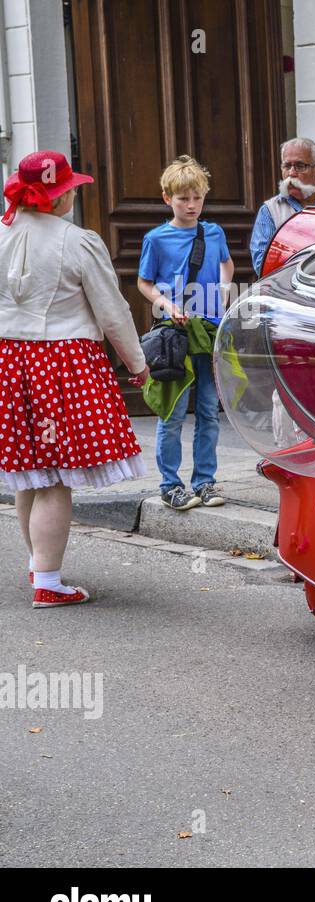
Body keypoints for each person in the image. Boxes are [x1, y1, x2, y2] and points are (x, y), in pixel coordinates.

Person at [0, 150, 150, 608]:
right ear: (59, 194)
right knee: (53, 481)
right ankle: (47, 580)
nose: (74, 196)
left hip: (8, 361)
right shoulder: (78, 241)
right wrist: (137, 363)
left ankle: (37, 561)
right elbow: (112, 312)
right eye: (71, 190)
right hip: (62, 364)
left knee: (30, 471)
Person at [137, 156, 234, 510]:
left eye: (197, 198)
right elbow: (144, 283)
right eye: (183, 199)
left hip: (209, 330)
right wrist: (165, 304)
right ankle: (170, 484)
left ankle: (205, 481)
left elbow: (226, 263)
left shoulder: (214, 232)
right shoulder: (156, 238)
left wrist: (225, 290)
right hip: (174, 333)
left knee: (209, 409)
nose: (192, 205)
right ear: (168, 198)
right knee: (173, 411)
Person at [249, 137, 315, 276]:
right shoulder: (270, 211)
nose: (291, 173)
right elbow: (262, 266)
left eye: (300, 166)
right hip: (288, 296)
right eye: (286, 166)